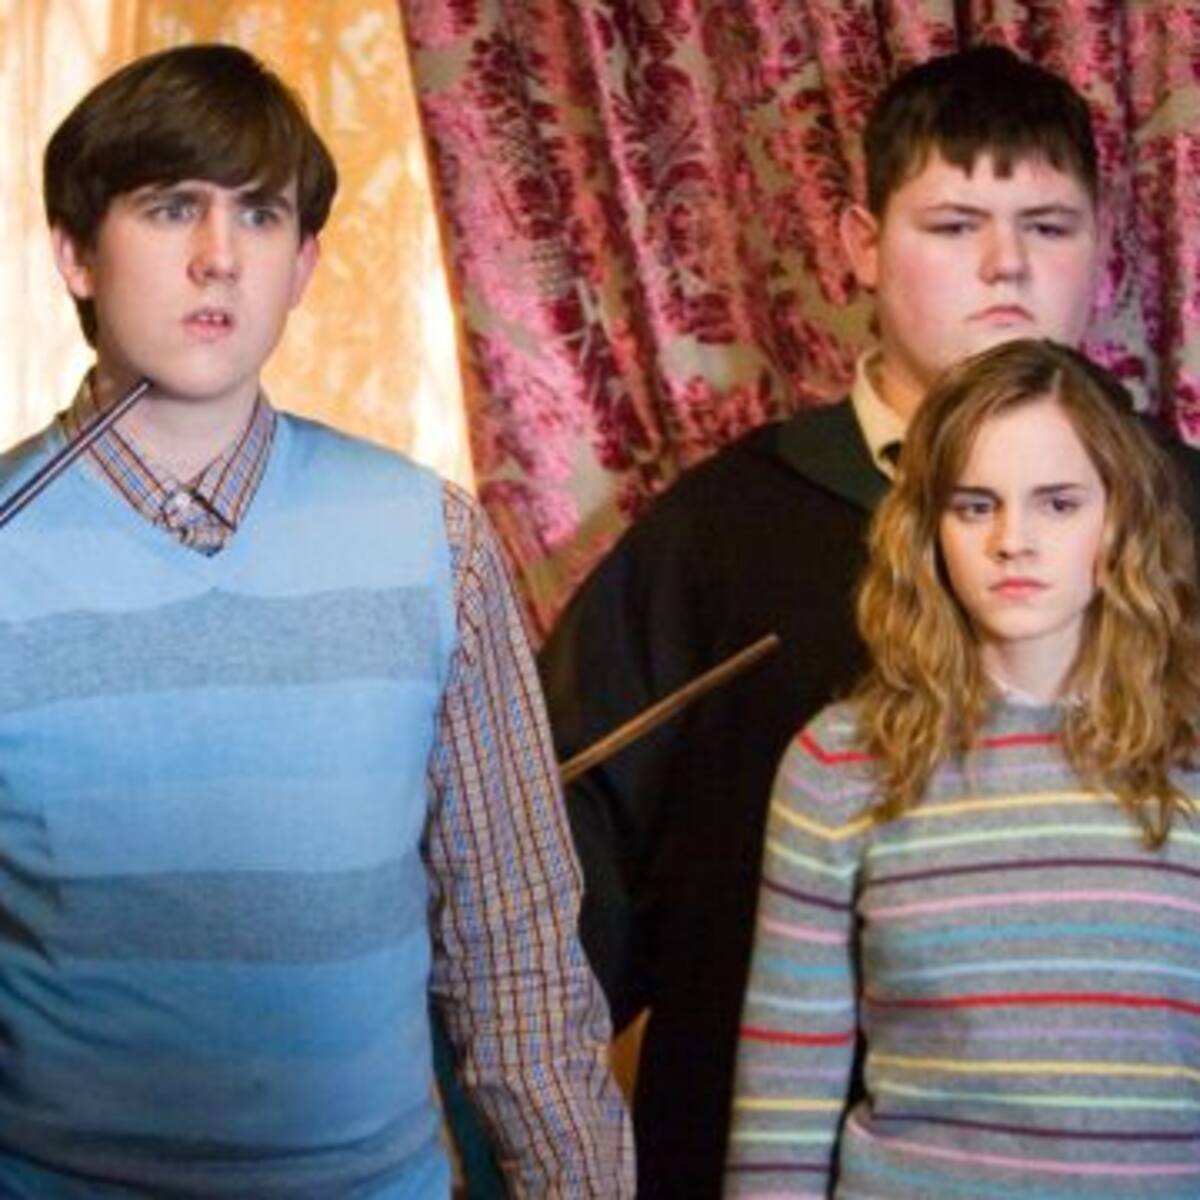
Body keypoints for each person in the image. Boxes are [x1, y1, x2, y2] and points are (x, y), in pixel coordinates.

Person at [538, 44, 1200, 1198]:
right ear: (859, 244)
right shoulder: (719, 532)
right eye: (954, 226)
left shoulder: (1182, 514)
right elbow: (555, 844)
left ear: (1104, 246)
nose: (1005, 265)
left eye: (1047, 225)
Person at [0, 43, 632, 1198]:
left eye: (260, 213)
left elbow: (518, 953)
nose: (218, 256)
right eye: (171, 207)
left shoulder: (433, 542)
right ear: (75, 254)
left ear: (303, 265)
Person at [726, 336, 1200, 1196]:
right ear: (929, 528)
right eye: (975, 506)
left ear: (1121, 516)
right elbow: (784, 1101)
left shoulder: (1191, 750)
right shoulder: (840, 762)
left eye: (1058, 503)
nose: (1014, 541)